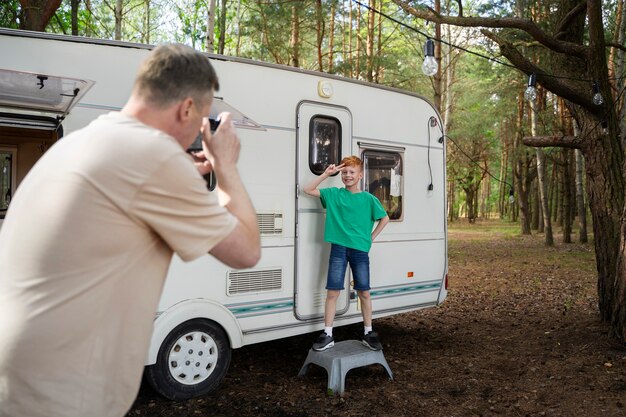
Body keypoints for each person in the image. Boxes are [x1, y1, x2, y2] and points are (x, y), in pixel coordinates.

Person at [0, 44, 260, 417]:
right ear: (187, 108)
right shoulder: (153, 157)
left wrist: (180, 174)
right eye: (202, 119)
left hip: (24, 379)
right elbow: (245, 251)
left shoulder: (83, 141)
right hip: (64, 393)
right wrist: (227, 167)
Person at [302, 155, 389, 352]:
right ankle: (328, 334)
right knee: (333, 291)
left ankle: (368, 332)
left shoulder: (368, 199)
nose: (347, 175)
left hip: (359, 250)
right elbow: (307, 189)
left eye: (351, 172)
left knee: (364, 292)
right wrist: (326, 173)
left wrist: (370, 238)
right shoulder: (334, 194)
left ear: (360, 175)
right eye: (344, 172)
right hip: (339, 248)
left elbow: (384, 219)